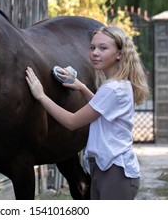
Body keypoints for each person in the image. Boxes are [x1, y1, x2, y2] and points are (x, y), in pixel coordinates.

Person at [25, 25, 150, 200]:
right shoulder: (117, 84)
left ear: (120, 54)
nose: (95, 53)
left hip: (115, 175)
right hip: (107, 170)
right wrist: (81, 87)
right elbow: (102, 109)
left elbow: (72, 121)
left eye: (103, 48)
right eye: (92, 47)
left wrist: (41, 96)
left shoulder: (113, 88)